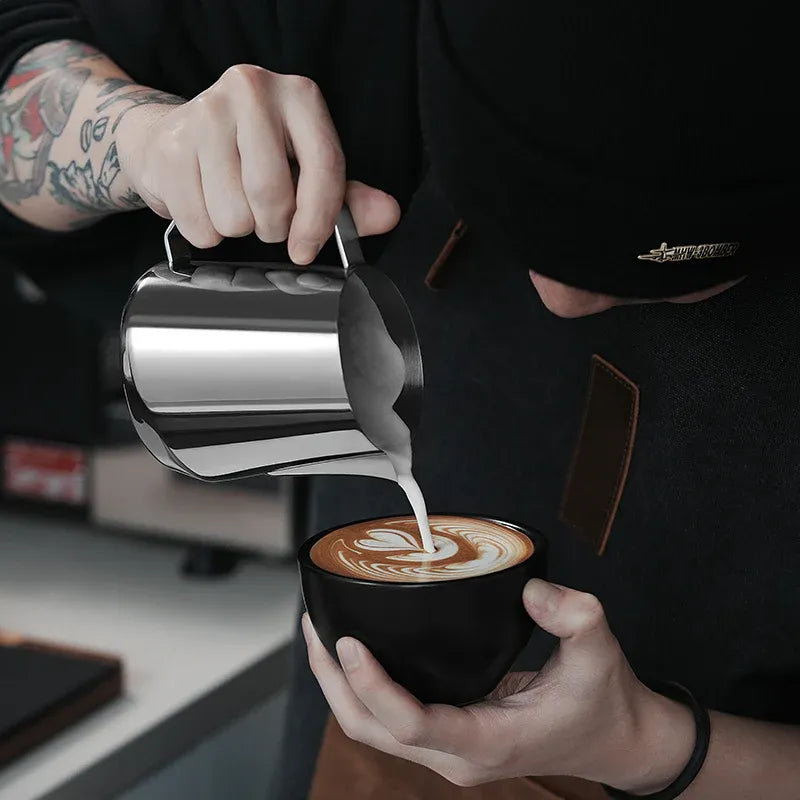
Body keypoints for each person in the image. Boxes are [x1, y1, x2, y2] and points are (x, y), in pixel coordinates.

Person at [1, 2, 798, 799]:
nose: (556, 300)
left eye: (658, 274)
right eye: (514, 222)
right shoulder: (361, 29)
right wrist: (141, 139)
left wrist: (649, 745)